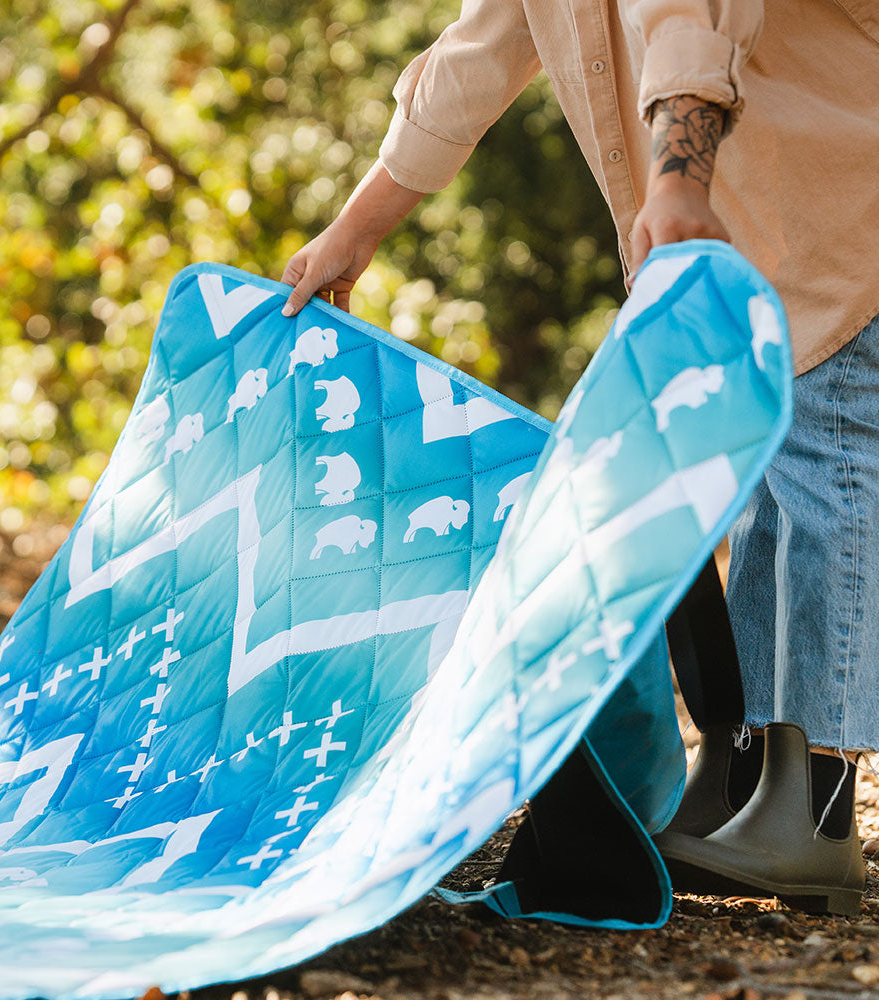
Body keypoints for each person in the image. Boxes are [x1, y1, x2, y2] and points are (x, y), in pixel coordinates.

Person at [280, 1, 879, 915]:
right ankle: (740, 770)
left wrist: (679, 181)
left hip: (839, 207)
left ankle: (819, 816)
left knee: (824, 473)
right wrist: (357, 228)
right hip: (721, 231)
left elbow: (695, 19)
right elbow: (477, 57)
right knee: (697, 485)